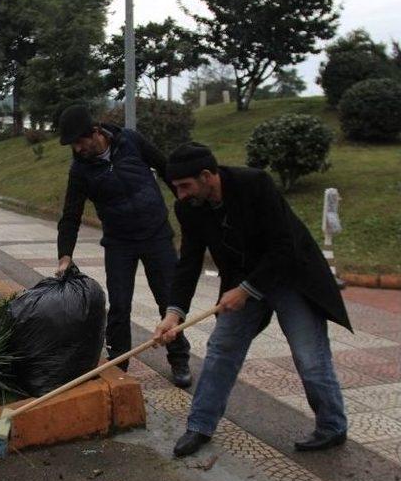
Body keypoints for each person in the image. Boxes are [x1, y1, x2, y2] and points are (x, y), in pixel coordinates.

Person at [154, 143, 350, 456]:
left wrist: (246, 290)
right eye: (176, 188)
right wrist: (173, 315)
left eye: (184, 186)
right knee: (221, 349)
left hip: (290, 276)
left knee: (309, 356)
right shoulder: (189, 208)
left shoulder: (254, 184)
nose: (180, 195)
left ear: (207, 176)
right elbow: (189, 262)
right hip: (241, 281)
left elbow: (284, 246)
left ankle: (332, 427)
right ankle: (199, 426)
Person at [56, 103, 192, 387]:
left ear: (95, 132)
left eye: (80, 141)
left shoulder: (130, 140)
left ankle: (179, 358)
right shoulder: (80, 170)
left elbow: (166, 169)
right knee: (119, 305)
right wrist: (65, 256)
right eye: (73, 145)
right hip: (119, 242)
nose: (78, 149)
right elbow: (71, 215)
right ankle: (119, 363)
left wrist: (187, 200)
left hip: (156, 234)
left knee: (169, 301)